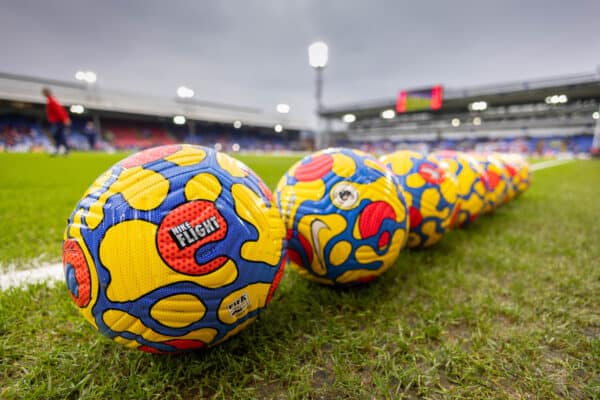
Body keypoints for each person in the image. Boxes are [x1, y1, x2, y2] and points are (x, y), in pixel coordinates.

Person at [42, 87, 71, 155]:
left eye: (43, 93)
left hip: (58, 121)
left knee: (57, 135)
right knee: (58, 135)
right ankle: (61, 149)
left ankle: (62, 149)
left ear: (46, 93)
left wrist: (65, 119)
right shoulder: (51, 100)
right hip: (57, 121)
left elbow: (59, 110)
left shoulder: (51, 100)